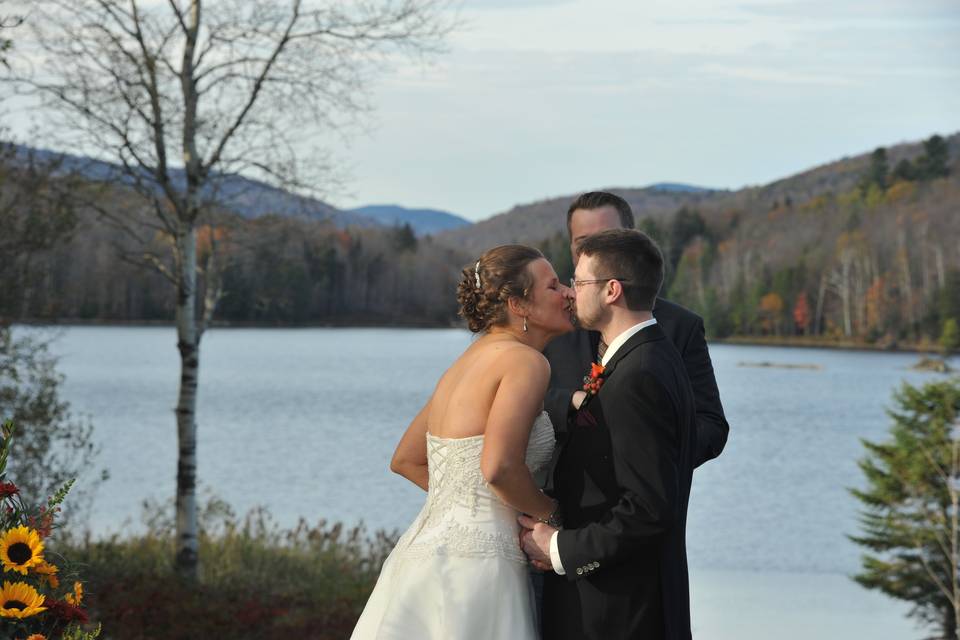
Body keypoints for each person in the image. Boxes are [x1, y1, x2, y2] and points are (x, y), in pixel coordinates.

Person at [350, 245, 575, 639]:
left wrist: (466, 502)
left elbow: (405, 460)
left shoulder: (466, 362)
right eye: (554, 286)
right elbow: (499, 467)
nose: (569, 293)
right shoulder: (527, 362)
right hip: (480, 567)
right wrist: (553, 515)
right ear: (518, 304)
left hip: (423, 552)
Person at [520, 228, 698, 639]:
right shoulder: (647, 357)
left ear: (612, 290)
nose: (570, 292)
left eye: (580, 282)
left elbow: (648, 509)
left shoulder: (640, 375)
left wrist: (560, 549)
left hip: (620, 613)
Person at [542, 191, 727, 470]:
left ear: (631, 238)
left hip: (642, 501)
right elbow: (516, 401)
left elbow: (711, 426)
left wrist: (648, 460)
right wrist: (567, 402)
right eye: (583, 242)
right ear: (570, 246)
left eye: (606, 235)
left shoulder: (681, 326)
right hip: (551, 498)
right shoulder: (547, 322)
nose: (596, 247)